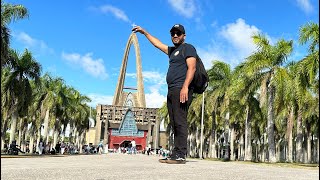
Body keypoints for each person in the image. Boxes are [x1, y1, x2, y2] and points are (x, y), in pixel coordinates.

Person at [132, 24, 196, 164]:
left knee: (180, 121)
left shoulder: (188, 48)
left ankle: (181, 154)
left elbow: (192, 67)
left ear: (183, 36)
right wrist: (145, 32)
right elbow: (158, 44)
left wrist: (185, 87)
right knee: (173, 122)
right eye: (173, 33)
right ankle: (175, 153)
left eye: (178, 33)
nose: (175, 36)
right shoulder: (172, 51)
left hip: (181, 89)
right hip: (171, 90)